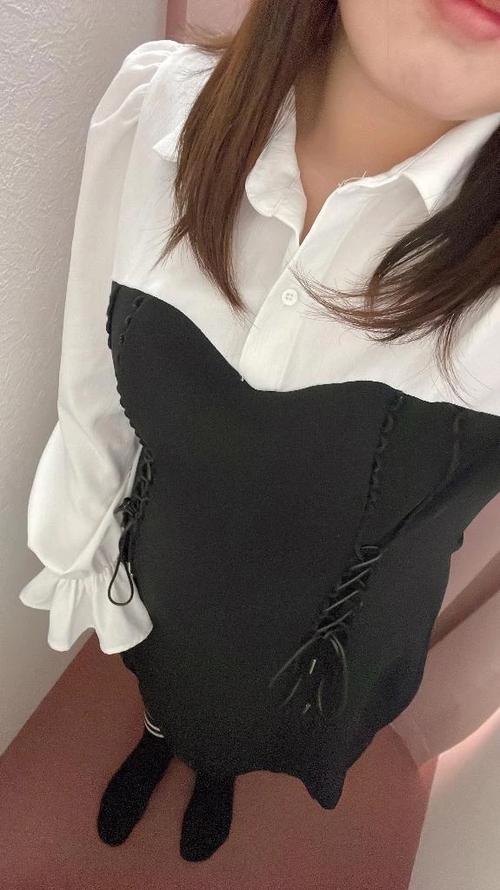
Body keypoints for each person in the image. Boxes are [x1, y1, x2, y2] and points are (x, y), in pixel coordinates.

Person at [19, 0, 500, 864]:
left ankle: (217, 776)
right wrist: (79, 542)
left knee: (244, 731)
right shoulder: (156, 112)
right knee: (165, 685)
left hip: (330, 646)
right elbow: (89, 385)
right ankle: (161, 738)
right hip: (171, 568)